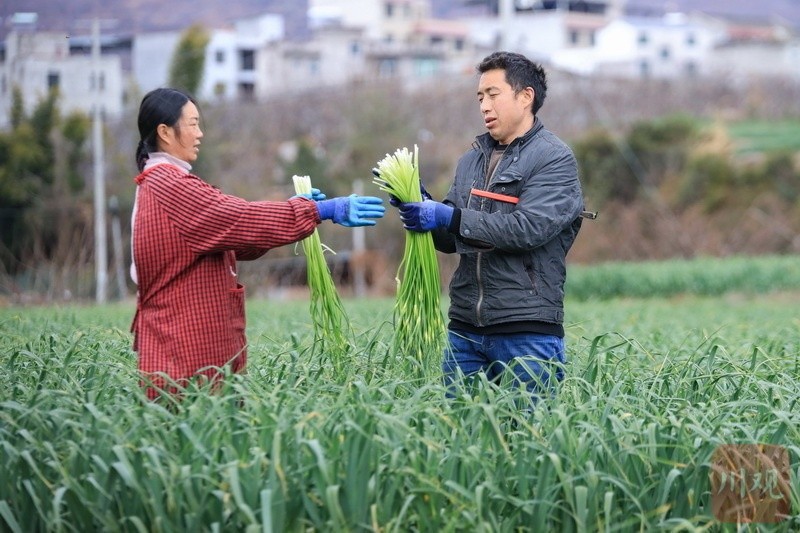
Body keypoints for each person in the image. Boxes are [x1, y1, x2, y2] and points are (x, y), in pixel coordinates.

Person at [130, 87, 384, 399]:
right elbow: (239, 219)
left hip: (191, 350)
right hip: (183, 352)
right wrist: (317, 210)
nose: (200, 133)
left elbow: (236, 239)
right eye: (193, 124)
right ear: (165, 132)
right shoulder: (170, 184)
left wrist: (295, 209)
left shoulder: (166, 182)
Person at [392, 51, 587, 402]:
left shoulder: (553, 158)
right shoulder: (471, 160)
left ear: (525, 97)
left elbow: (528, 229)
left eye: (493, 94)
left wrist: (448, 216)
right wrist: (421, 207)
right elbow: (451, 240)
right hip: (465, 331)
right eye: (480, 97)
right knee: (464, 443)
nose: (484, 105)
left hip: (526, 331)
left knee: (525, 443)